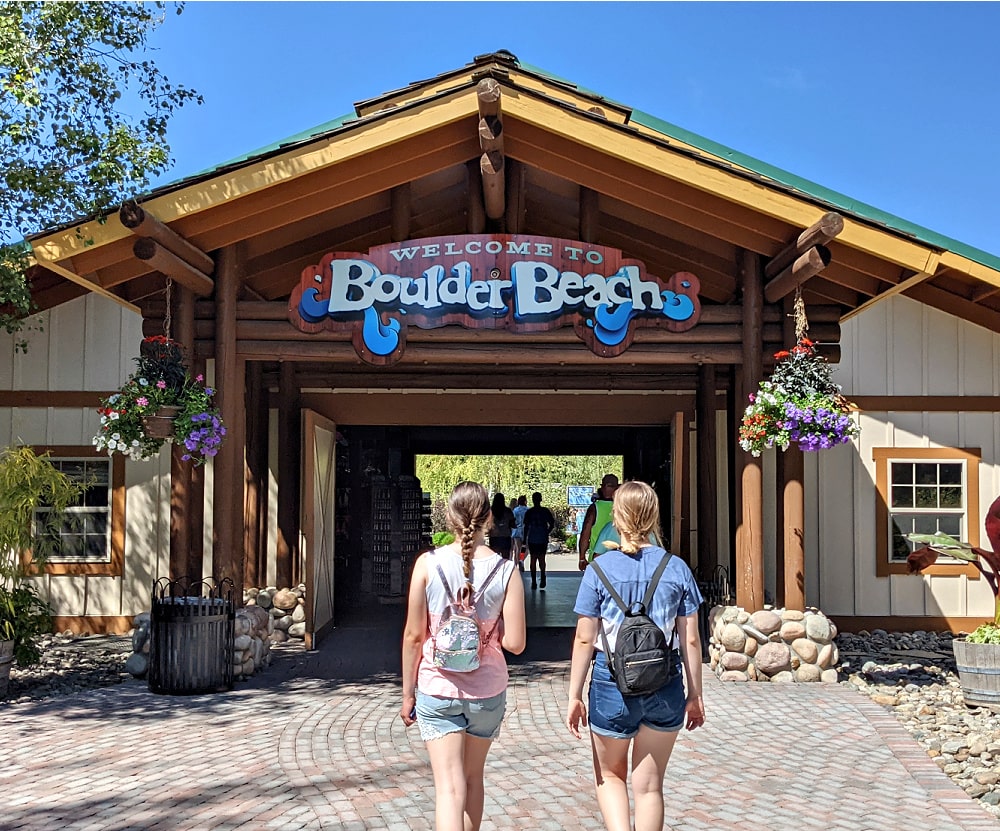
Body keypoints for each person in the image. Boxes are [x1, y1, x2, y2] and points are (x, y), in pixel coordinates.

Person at [566, 480, 704, 831]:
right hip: (665, 684)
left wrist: (574, 695)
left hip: (611, 684)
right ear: (654, 517)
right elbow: (690, 640)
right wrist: (695, 694)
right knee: (650, 788)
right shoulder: (676, 568)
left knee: (610, 778)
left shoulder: (599, 570)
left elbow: (585, 639)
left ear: (618, 517)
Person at [401, 481, 527, 831]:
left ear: (448, 517)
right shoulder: (507, 571)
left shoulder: (427, 564)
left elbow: (414, 635)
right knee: (473, 779)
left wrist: (408, 694)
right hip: (487, 693)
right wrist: (485, 631)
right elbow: (516, 643)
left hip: (437, 688)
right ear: (490, 518)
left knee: (449, 789)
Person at [578, 474, 620, 571]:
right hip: (619, 559)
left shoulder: (594, 508)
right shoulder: (624, 507)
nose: (605, 488)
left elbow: (585, 534)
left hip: (597, 559)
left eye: (608, 486)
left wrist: (581, 558)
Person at [522, 491, 555, 591]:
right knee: (541, 558)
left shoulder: (529, 512)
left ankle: (533, 581)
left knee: (533, 559)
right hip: (542, 538)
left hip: (532, 538)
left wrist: (524, 539)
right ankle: (543, 576)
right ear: (541, 499)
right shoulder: (545, 511)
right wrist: (546, 531)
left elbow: (526, 526)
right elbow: (552, 523)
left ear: (532, 500)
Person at [488, 492, 516, 559]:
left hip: (494, 536)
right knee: (505, 559)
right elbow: (513, 524)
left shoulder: (490, 511)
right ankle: (504, 569)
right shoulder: (508, 511)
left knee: (494, 558)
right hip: (505, 536)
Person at [512, 495, 528, 571]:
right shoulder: (528, 510)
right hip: (525, 531)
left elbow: (513, 520)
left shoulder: (515, 510)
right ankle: (522, 560)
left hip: (517, 531)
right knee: (525, 548)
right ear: (525, 501)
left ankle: (515, 565)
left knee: (517, 549)